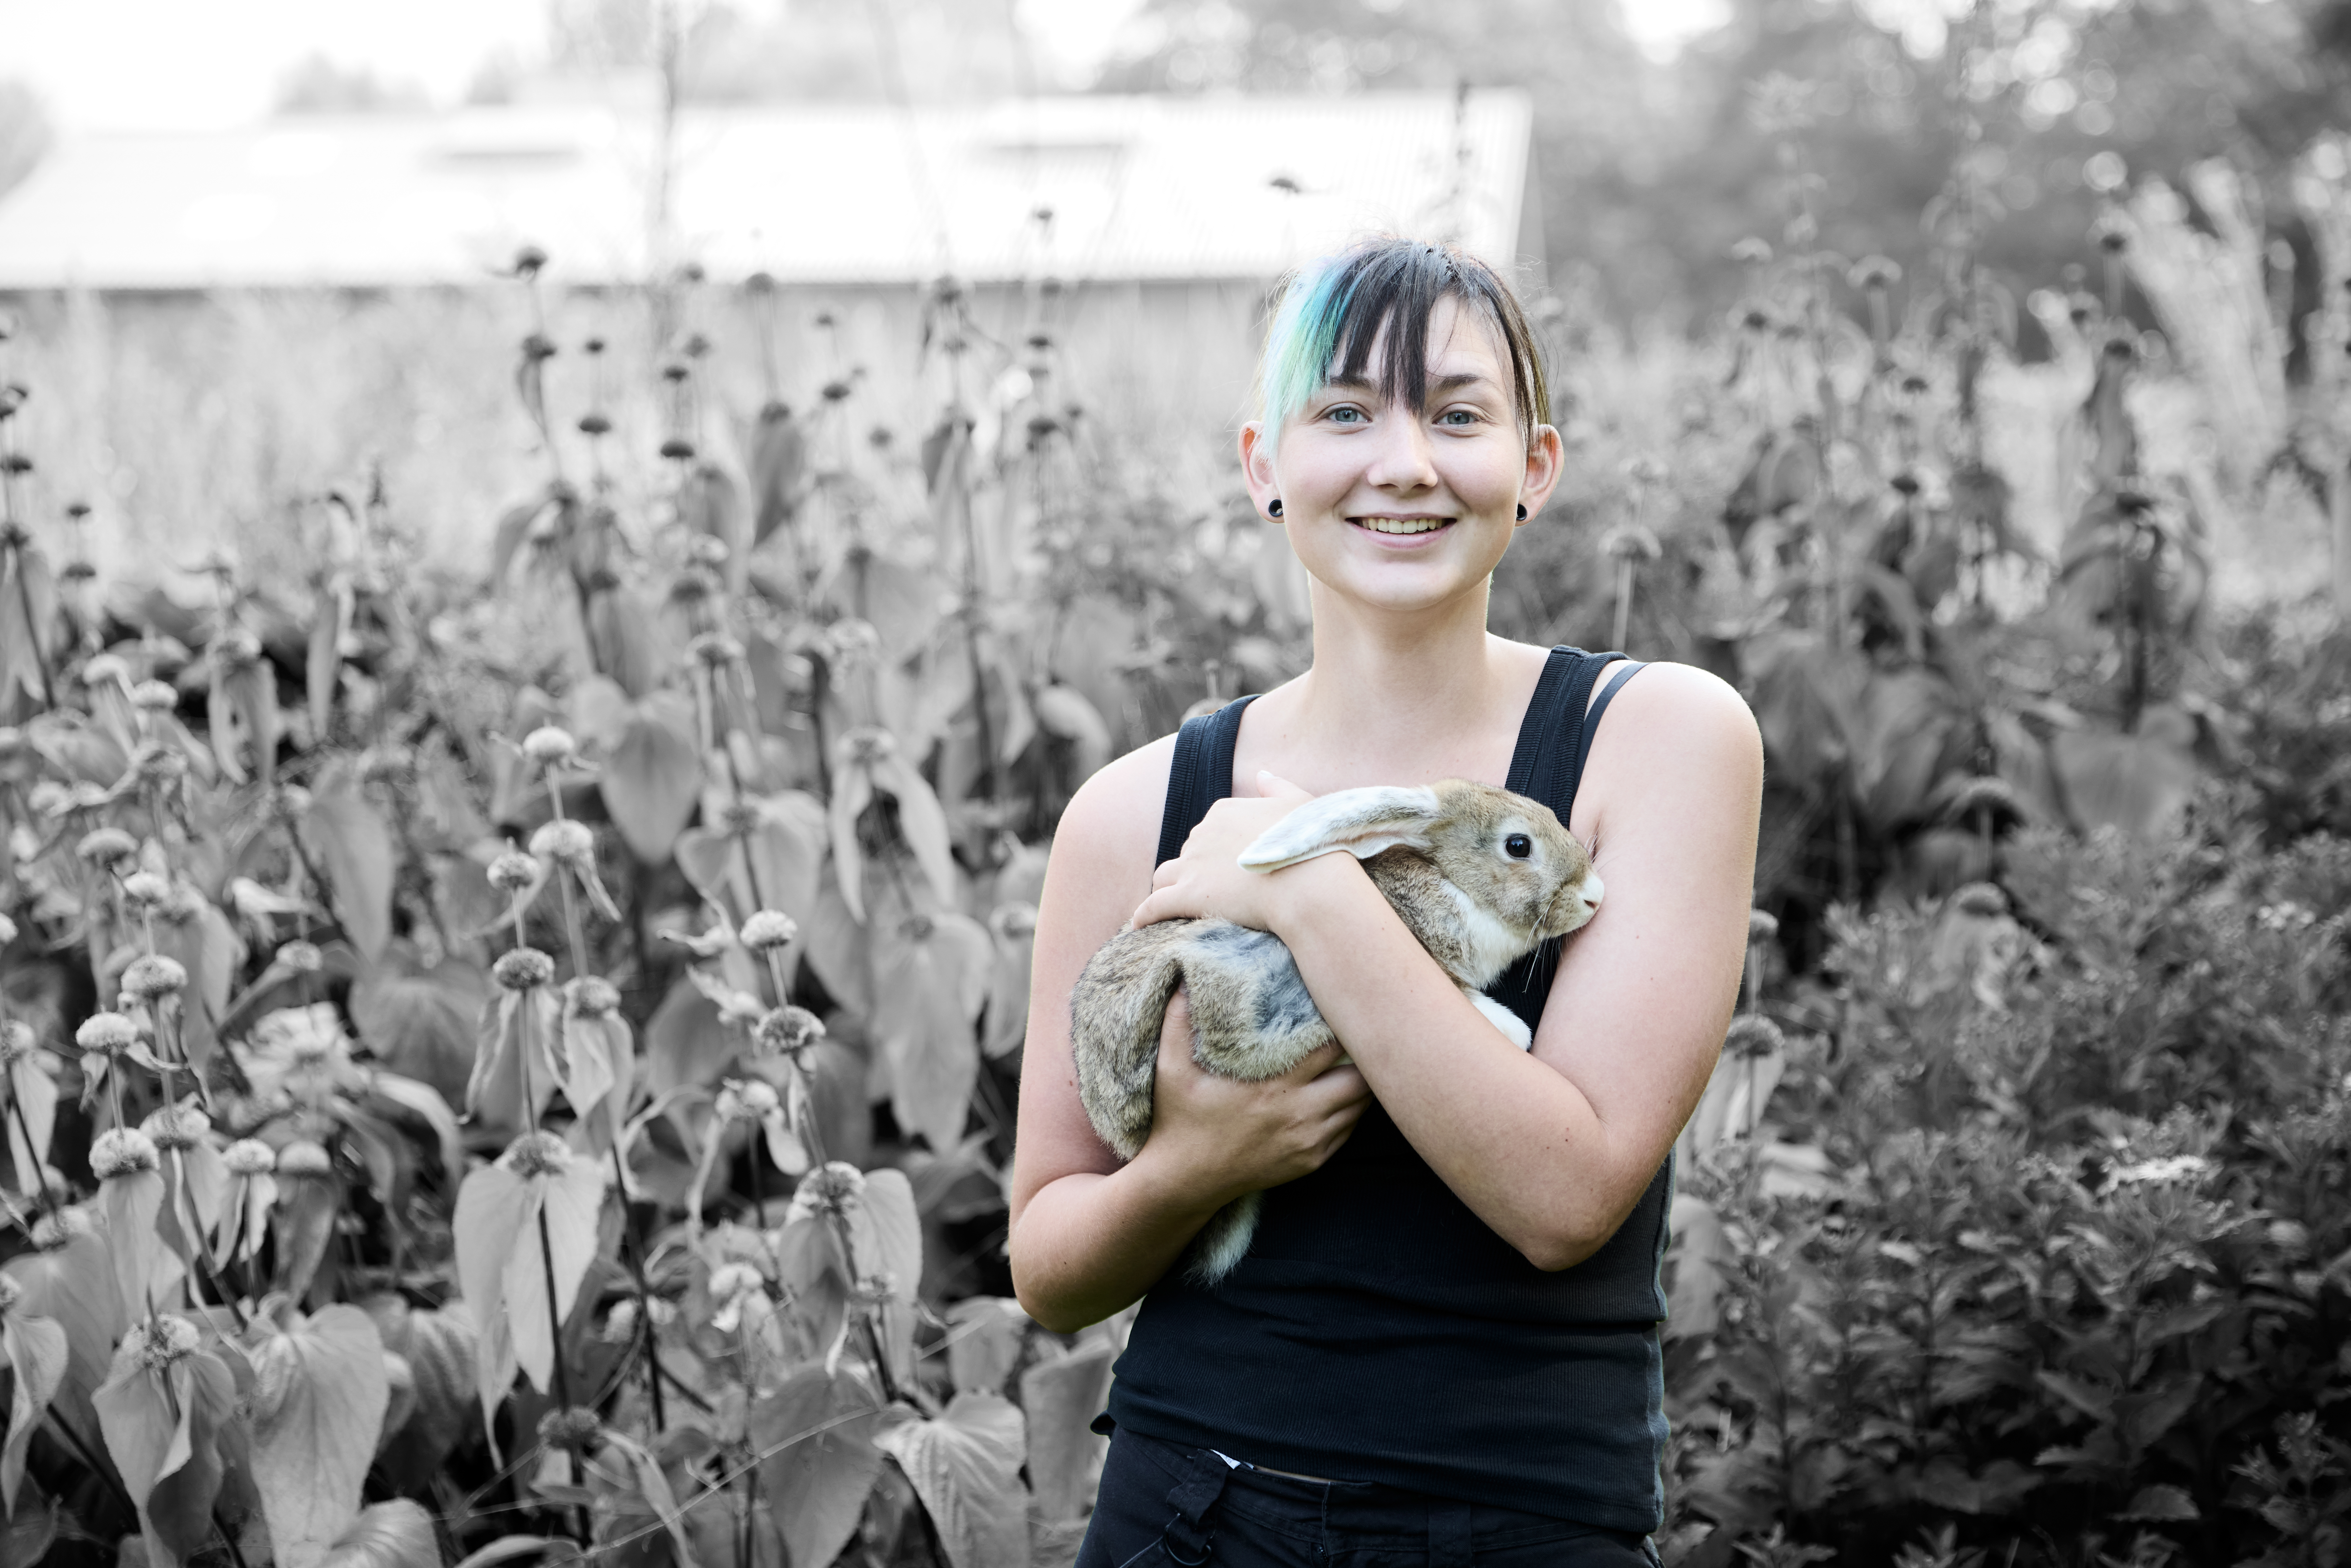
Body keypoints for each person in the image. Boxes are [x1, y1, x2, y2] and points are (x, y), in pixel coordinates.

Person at [1008, 236, 1762, 1566]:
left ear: (1534, 467)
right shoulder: (1135, 809)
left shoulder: (1655, 741)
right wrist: (1196, 1163)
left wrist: (1300, 885)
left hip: (1520, 1522)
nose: (1403, 461)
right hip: (1189, 1515)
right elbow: (1050, 1264)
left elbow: (1564, 1195)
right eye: (1344, 412)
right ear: (1263, 464)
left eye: (1457, 414)